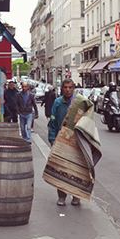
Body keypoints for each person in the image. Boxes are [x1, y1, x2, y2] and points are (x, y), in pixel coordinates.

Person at [48, 77, 81, 206]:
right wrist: (52, 140)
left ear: (73, 89)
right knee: (61, 171)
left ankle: (76, 195)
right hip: (60, 142)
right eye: (65, 87)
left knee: (75, 171)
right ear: (62, 88)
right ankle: (62, 196)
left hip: (76, 143)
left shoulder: (79, 103)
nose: (67, 90)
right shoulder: (57, 103)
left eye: (70, 87)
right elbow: (52, 123)